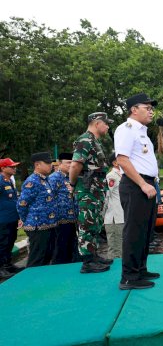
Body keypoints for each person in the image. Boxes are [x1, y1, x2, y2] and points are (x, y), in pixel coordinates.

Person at [114, 92, 160, 290]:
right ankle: (129, 277)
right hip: (136, 185)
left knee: (146, 231)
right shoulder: (126, 129)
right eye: (147, 108)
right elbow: (123, 160)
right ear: (134, 109)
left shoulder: (142, 132)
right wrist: (142, 184)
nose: (151, 111)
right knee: (134, 231)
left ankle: (140, 269)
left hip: (147, 185)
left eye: (152, 108)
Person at [68, 112, 113, 273]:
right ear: (96, 123)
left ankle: (93, 255)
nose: (108, 126)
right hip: (88, 189)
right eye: (106, 123)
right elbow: (75, 165)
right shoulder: (85, 139)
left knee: (95, 222)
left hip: (96, 188)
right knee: (86, 223)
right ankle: (87, 261)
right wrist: (72, 184)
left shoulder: (94, 141)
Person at [17, 152, 57, 267]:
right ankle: (30, 283)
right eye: (47, 163)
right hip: (37, 227)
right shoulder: (32, 181)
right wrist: (28, 220)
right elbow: (22, 205)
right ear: (37, 165)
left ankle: (42, 282)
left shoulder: (46, 180)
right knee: (37, 259)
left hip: (49, 225)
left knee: (47, 257)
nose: (51, 165)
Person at [49, 152, 78, 264]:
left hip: (73, 218)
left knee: (72, 248)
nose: (70, 165)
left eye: (72, 162)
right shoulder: (54, 178)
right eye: (68, 163)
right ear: (60, 163)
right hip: (61, 220)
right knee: (61, 249)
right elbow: (50, 198)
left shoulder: (71, 177)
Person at [0, 158, 23, 277]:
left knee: (10, 242)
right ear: (3, 168)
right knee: (3, 243)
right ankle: (1, 268)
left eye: (15, 166)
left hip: (11, 218)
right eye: (11, 167)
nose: (14, 168)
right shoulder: (0, 181)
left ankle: (8, 265)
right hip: (3, 219)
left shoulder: (8, 181)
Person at [103, 153, 124, 259]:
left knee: (122, 248)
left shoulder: (122, 174)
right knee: (116, 250)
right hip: (114, 218)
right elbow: (106, 196)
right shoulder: (111, 176)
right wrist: (102, 215)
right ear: (115, 163)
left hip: (122, 215)